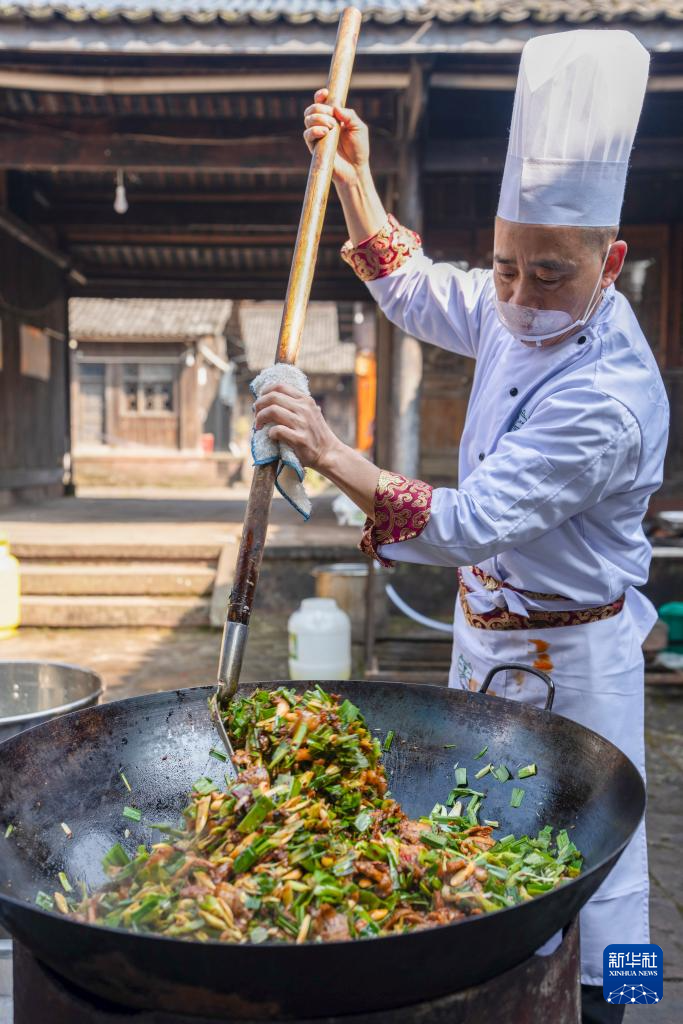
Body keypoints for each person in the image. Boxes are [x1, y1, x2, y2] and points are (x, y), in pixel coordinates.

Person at [254, 30, 669, 1023]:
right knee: (475, 834)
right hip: (485, 630)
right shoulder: (513, 302)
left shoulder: (606, 398)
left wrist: (324, 446)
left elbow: (464, 521)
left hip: (574, 654)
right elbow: (411, 285)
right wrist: (354, 179)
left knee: (595, 860)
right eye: (503, 265)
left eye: (547, 274)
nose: (517, 297)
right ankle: (490, 991)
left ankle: (614, 1007)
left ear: (608, 262)